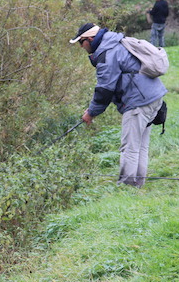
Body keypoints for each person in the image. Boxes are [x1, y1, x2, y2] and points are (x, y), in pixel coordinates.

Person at [70, 22, 167, 188]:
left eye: (81, 42)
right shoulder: (115, 42)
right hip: (152, 97)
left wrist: (91, 113)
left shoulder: (107, 53)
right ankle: (137, 185)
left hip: (139, 102)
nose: (81, 46)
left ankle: (127, 187)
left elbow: (104, 90)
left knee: (129, 147)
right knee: (140, 146)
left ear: (90, 39)